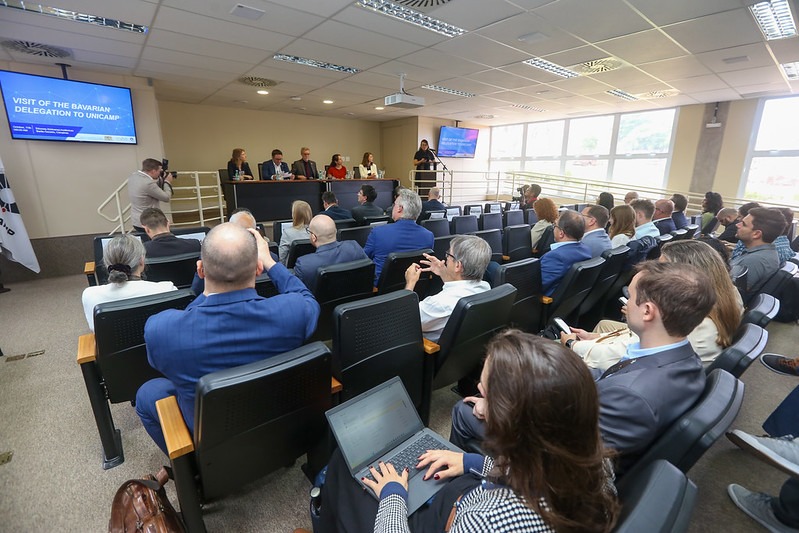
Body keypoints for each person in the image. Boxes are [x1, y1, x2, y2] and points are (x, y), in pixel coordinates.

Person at [317, 331, 620, 533]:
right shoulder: (593, 459)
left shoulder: (485, 522)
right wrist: (471, 463)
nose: (477, 393)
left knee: (345, 468)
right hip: (474, 493)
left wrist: (393, 496)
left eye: (486, 393)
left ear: (513, 424)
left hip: (459, 515)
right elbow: (534, 475)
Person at [452, 261, 715, 474]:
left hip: (560, 463)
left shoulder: (632, 396)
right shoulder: (683, 357)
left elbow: (568, 458)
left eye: (630, 295)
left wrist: (503, 411)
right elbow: (603, 381)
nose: (625, 301)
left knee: (465, 410)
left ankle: (467, 485)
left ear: (647, 311)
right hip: (581, 418)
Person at [135, 224, 320, 454]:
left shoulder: (161, 329)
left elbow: (161, 364)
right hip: (273, 421)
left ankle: (189, 470)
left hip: (211, 437)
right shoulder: (293, 312)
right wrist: (272, 263)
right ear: (258, 268)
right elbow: (305, 296)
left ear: (201, 271)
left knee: (147, 393)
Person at [561, 240, 742, 370]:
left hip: (628, 370)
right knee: (602, 325)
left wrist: (572, 344)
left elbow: (630, 353)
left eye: (661, 266)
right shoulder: (725, 296)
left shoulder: (698, 325)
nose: (654, 269)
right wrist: (594, 337)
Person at [403, 235, 491, 342]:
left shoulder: (438, 303)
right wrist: (443, 273)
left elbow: (405, 321)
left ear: (458, 266)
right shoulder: (486, 287)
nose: (446, 259)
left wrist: (410, 283)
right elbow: (458, 290)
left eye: (449, 255)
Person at [81, 234, 176, 331]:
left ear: (106, 264)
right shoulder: (167, 289)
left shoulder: (90, 295)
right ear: (142, 261)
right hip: (158, 345)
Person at [364, 188, 434, 284]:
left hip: (381, 291)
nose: (393, 207)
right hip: (414, 288)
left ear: (400, 208)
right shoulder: (429, 236)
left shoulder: (378, 232)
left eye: (394, 205)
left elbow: (365, 260)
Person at [293, 214, 368, 292]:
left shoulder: (304, 264)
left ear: (313, 237)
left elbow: (299, 296)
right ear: (335, 231)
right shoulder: (354, 247)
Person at [730, 207, 783, 294]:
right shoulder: (763, 254)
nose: (737, 225)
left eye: (743, 224)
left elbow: (728, 295)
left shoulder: (755, 261)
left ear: (756, 234)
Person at [540, 209, 591, 296]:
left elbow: (537, 287)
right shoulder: (586, 250)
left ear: (561, 233)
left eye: (555, 225)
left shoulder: (555, 257)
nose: (553, 228)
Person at [128, 158, 173, 232]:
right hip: (148, 222)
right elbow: (166, 198)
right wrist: (167, 182)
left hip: (136, 220)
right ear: (153, 171)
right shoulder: (148, 183)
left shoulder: (134, 176)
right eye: (159, 171)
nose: (160, 173)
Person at [279, 200, 313, 264]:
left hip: (293, 269)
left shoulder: (287, 233)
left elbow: (282, 257)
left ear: (294, 215)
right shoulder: (317, 231)